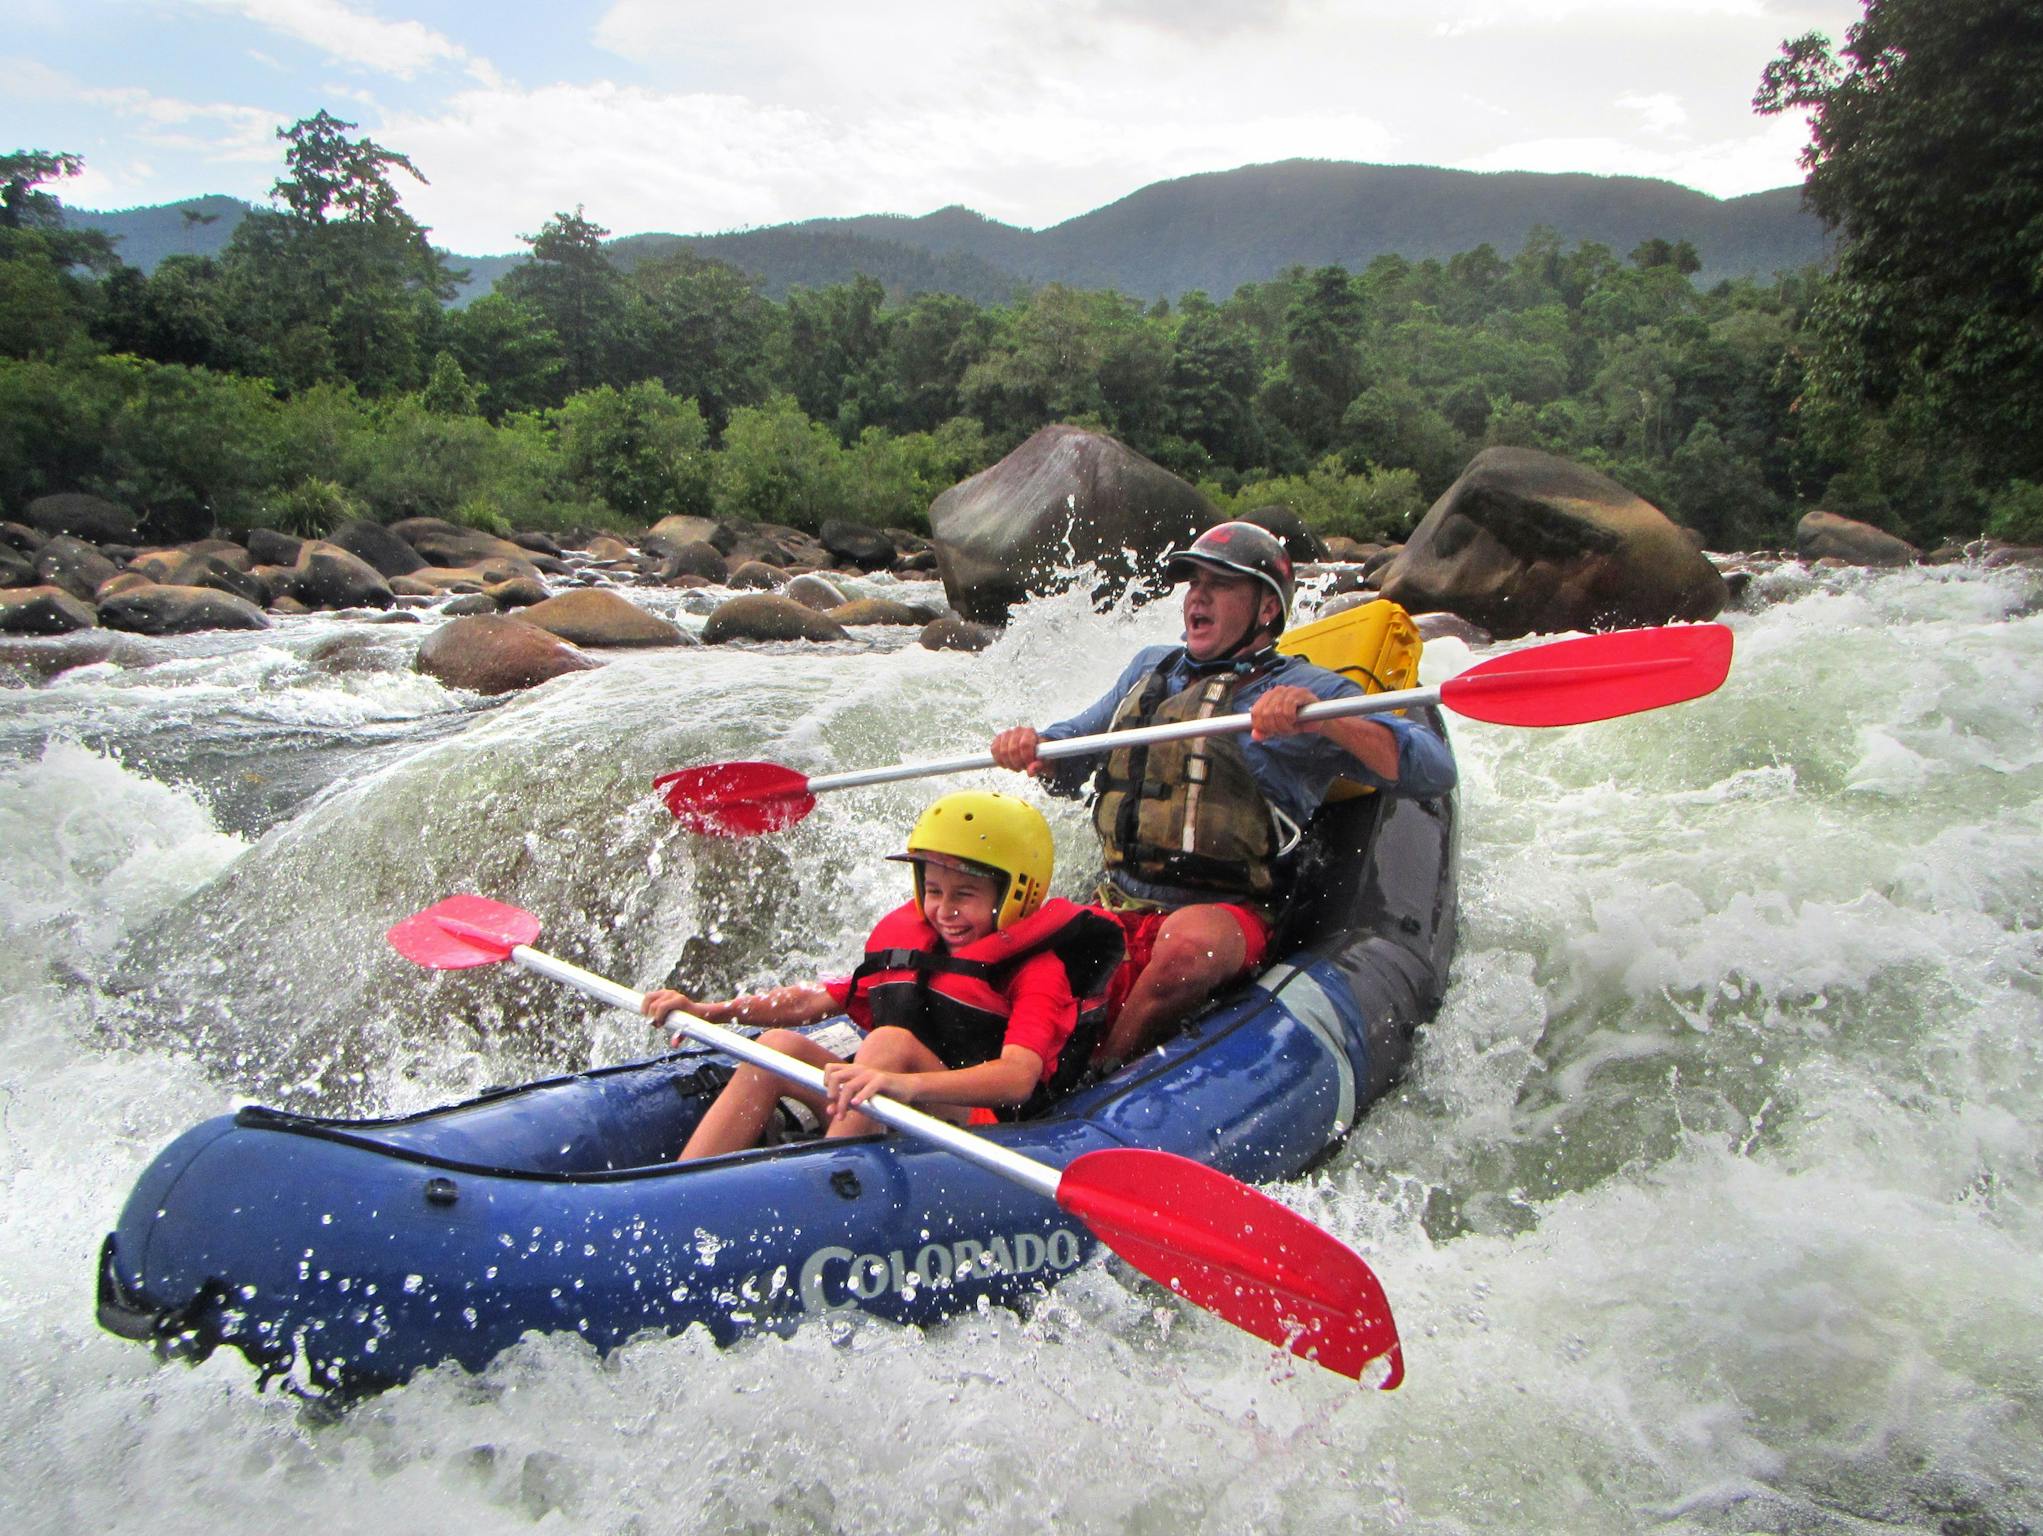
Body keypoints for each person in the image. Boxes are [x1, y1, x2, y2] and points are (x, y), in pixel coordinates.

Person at [989, 520, 1456, 1069]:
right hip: (1116, 899)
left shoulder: (1311, 691)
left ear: (1265, 610)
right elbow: (1072, 752)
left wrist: (1323, 724)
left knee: (1186, 948)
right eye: (1193, 583)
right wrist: (1034, 747)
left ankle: (1093, 1083)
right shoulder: (1151, 668)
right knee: (1005, 942)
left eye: (1221, 584)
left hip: (1226, 911)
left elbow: (1431, 768)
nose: (1198, 597)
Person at [642, 790, 1124, 1159]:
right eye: (933, 890)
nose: (944, 910)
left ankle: (827, 1183)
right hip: (888, 1094)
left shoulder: (1039, 971)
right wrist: (713, 1011)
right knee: (776, 1048)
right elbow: (812, 1000)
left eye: (965, 895)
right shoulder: (919, 942)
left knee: (888, 1044)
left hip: (983, 1122)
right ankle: (680, 1190)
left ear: (1019, 892)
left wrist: (905, 1085)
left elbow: (1018, 1078)